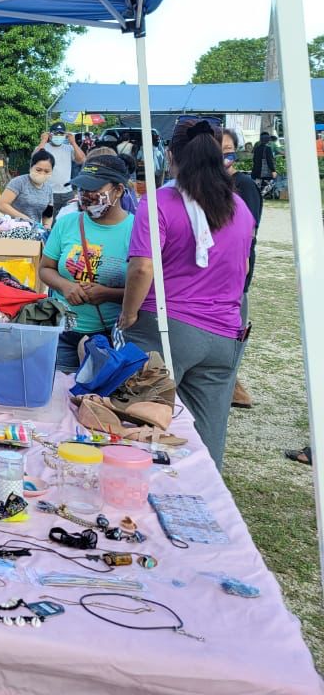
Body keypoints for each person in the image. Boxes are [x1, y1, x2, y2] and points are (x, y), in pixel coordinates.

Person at [118, 117, 255, 470]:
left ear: (170, 154)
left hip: (166, 327)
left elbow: (142, 268)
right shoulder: (239, 208)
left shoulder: (160, 201)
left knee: (140, 422)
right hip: (224, 332)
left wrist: (129, 314)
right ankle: (205, 502)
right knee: (208, 436)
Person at [39, 155, 135, 372]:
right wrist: (66, 286)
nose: (85, 196)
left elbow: (146, 289)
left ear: (118, 190)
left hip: (109, 338)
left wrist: (107, 293)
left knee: (96, 400)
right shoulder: (66, 224)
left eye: (93, 189)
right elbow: (45, 269)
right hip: (62, 333)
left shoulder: (137, 230)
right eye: (81, 188)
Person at [222, 129, 261, 411]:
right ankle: (232, 388)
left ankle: (233, 388)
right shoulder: (207, 183)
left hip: (235, 275)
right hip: (210, 278)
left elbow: (250, 230)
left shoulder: (243, 184)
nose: (223, 155)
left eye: (228, 149)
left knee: (234, 334)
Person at [0, 150, 55, 226]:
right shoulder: (18, 182)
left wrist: (46, 226)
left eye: (46, 171)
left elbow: (48, 214)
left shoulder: (49, 189)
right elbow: (1, 205)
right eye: (38, 170)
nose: (42, 173)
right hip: (12, 228)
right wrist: (25, 219)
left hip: (34, 230)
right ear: (31, 167)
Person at [38, 121, 86, 212]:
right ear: (50, 135)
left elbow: (82, 159)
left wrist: (73, 143)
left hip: (67, 192)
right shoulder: (44, 147)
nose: (58, 136)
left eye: (61, 133)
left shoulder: (69, 148)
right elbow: (35, 158)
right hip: (48, 192)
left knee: (67, 221)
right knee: (48, 222)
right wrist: (43, 140)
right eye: (56, 133)